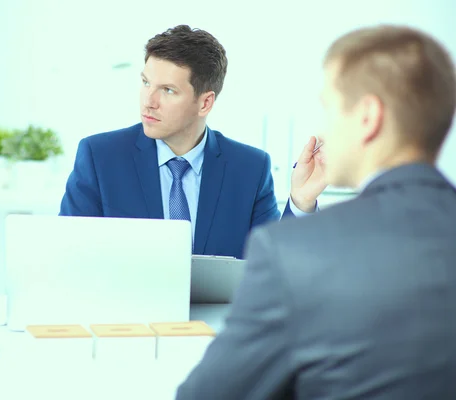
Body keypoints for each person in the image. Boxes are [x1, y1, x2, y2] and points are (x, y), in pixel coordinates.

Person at [175, 24, 456, 399]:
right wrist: (301, 203)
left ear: (368, 117)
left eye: (328, 107)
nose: (321, 128)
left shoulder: (293, 254)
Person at [59, 25, 326, 258]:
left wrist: (301, 202)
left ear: (205, 102)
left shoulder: (249, 168)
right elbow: (67, 254)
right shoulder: (100, 157)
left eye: (168, 90)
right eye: (145, 82)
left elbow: (274, 267)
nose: (148, 101)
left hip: (217, 317)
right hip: (125, 315)